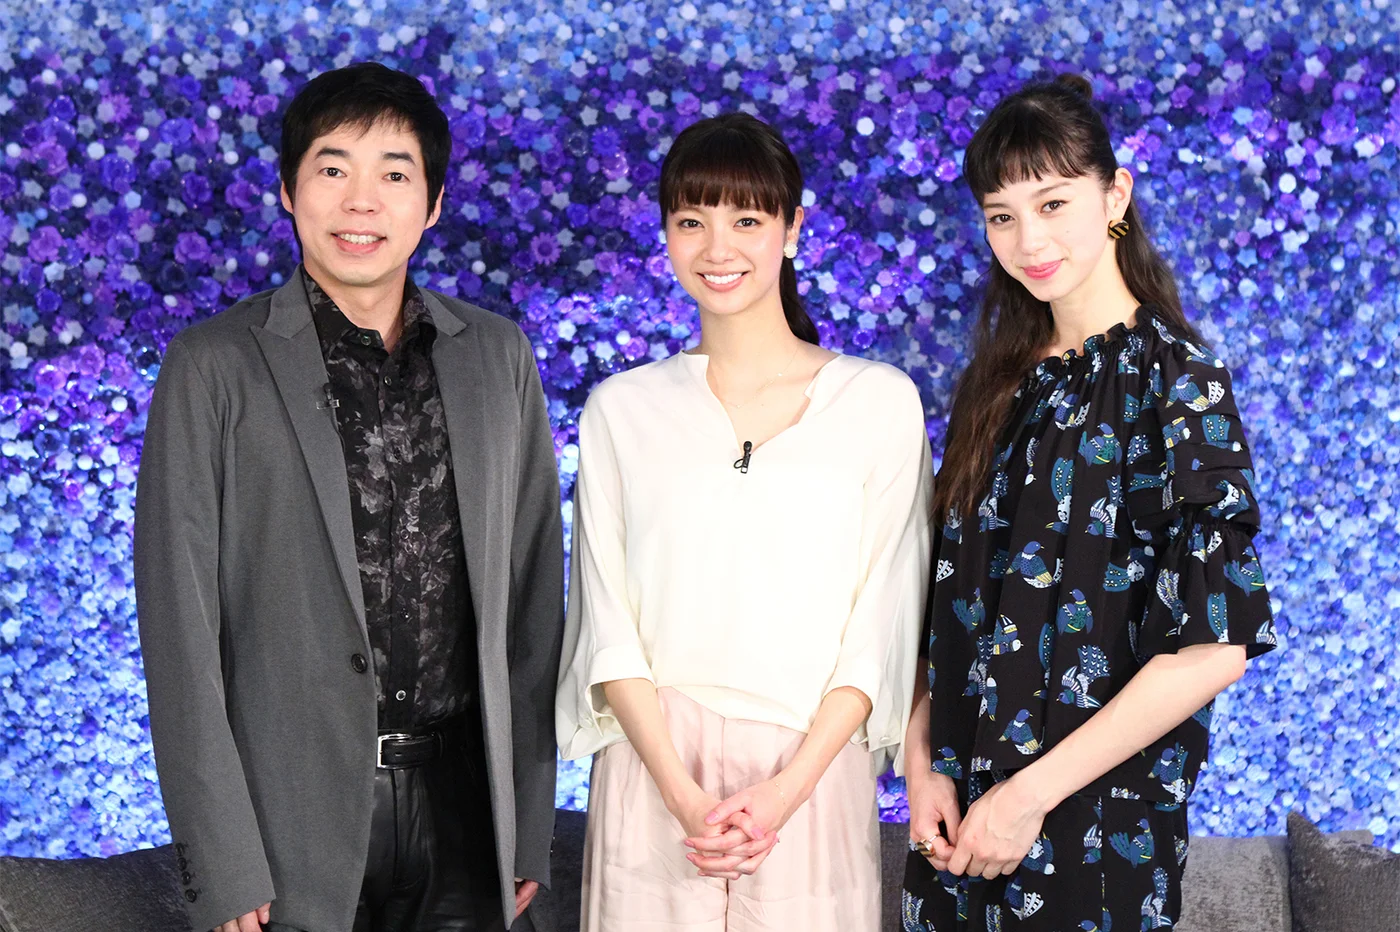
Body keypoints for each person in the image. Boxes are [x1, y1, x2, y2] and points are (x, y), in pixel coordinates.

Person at [135, 62, 564, 932]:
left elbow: (532, 603)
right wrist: (221, 859)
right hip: (286, 824)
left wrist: (528, 822)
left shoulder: (497, 356)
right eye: (332, 169)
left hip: (466, 813)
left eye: (394, 174)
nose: (360, 201)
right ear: (289, 191)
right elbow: (179, 628)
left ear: (433, 203)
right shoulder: (213, 364)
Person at [900, 73, 1279, 931]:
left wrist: (1025, 798)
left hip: (1094, 835)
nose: (1028, 239)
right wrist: (921, 767)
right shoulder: (995, 386)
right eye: (1001, 215)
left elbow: (1215, 647)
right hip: (956, 831)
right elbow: (942, 609)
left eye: (1053, 203)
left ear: (1116, 196)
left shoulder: (1179, 381)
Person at [555, 111, 932, 932]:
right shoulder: (620, 409)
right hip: (653, 774)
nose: (717, 248)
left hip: (812, 774)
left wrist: (786, 792)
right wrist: (682, 794)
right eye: (692, 221)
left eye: (747, 220)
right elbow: (607, 620)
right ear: (665, 235)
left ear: (793, 230)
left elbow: (882, 623)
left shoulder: (879, 403)